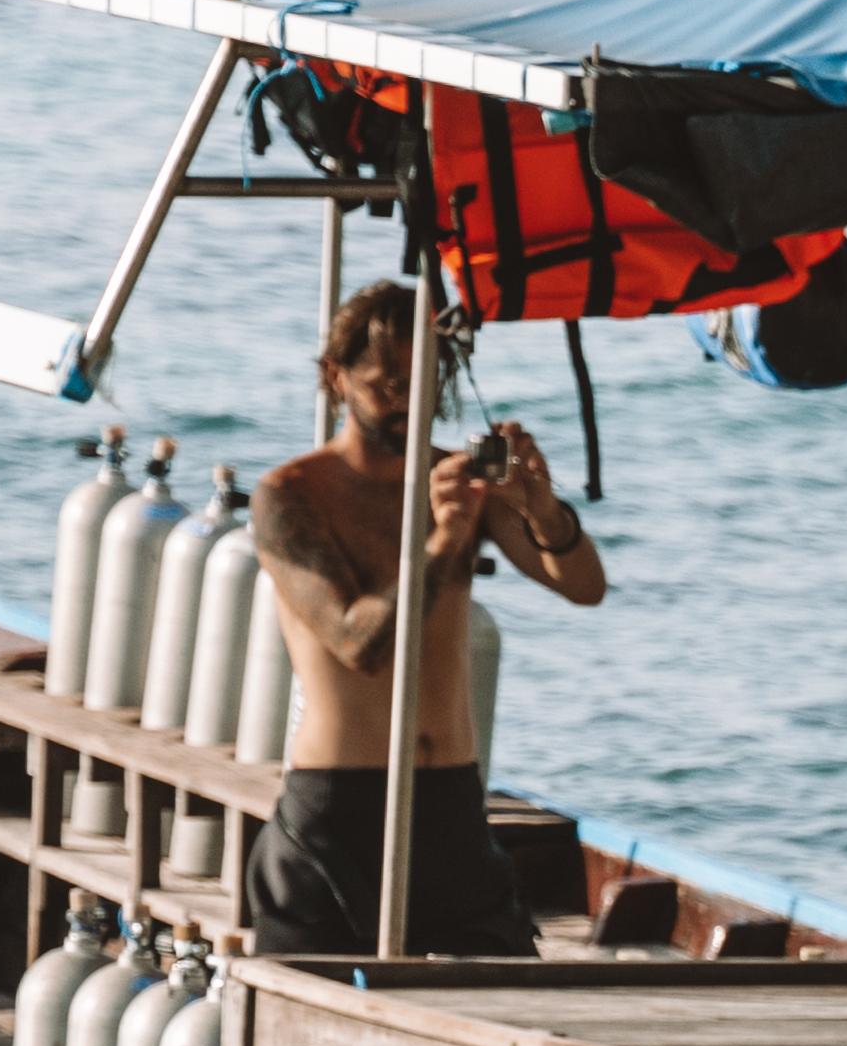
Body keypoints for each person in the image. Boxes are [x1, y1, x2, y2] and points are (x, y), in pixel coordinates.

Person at [242, 282, 605, 959]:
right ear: (336, 377)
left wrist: (541, 508)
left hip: (449, 803)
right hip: (337, 808)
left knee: (504, 988)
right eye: (388, 385)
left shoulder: (457, 485)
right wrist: (441, 541)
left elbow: (585, 587)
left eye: (425, 383)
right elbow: (359, 641)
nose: (409, 402)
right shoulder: (291, 496)